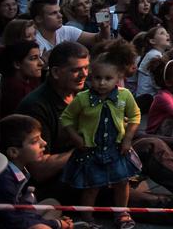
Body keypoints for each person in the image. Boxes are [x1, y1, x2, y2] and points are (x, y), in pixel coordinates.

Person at [57, 46, 143, 228]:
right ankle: (87, 218)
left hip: (117, 149)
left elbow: (135, 115)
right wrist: (76, 138)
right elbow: (66, 118)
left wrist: (128, 138)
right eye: (97, 78)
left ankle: (121, 213)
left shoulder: (124, 96)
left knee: (122, 183)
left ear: (118, 77)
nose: (102, 83)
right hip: (91, 151)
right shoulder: (82, 99)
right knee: (91, 186)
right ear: (91, 76)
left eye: (108, 78)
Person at [0, 114, 71, 229]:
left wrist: (52, 223)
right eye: (35, 141)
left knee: (53, 204)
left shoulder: (19, 170)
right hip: (3, 223)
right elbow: (14, 221)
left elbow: (23, 210)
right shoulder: (4, 181)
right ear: (14, 152)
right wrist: (55, 224)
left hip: (17, 216)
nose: (44, 143)